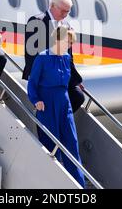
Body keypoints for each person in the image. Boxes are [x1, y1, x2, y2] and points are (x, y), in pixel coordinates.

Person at [27, 26, 85, 188]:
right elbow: (32, 83)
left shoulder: (66, 57)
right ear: (57, 39)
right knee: (51, 144)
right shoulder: (42, 58)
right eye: (67, 41)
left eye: (71, 42)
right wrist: (36, 100)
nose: (69, 45)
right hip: (46, 104)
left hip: (64, 103)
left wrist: (78, 84)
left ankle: (79, 185)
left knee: (71, 143)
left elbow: (68, 78)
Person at [23, 0, 85, 112]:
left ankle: (61, 118)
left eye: (67, 12)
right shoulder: (37, 21)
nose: (65, 15)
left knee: (78, 96)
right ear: (52, 6)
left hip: (60, 74)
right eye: (62, 11)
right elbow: (31, 52)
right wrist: (34, 75)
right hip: (43, 74)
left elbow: (69, 57)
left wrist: (75, 80)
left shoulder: (66, 26)